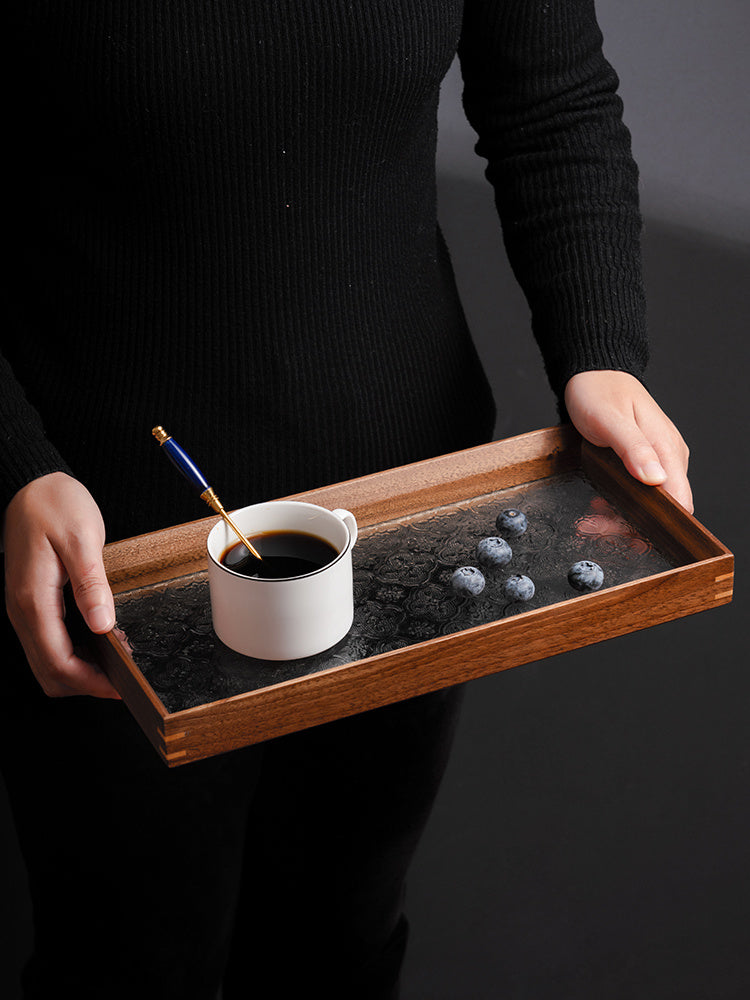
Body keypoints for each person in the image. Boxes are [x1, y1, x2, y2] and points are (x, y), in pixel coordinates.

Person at [1, 3, 691, 998]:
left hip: (405, 515)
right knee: (126, 963)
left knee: (336, 942)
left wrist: (600, 347)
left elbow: (552, 99)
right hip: (100, 550)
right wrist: (14, 461)